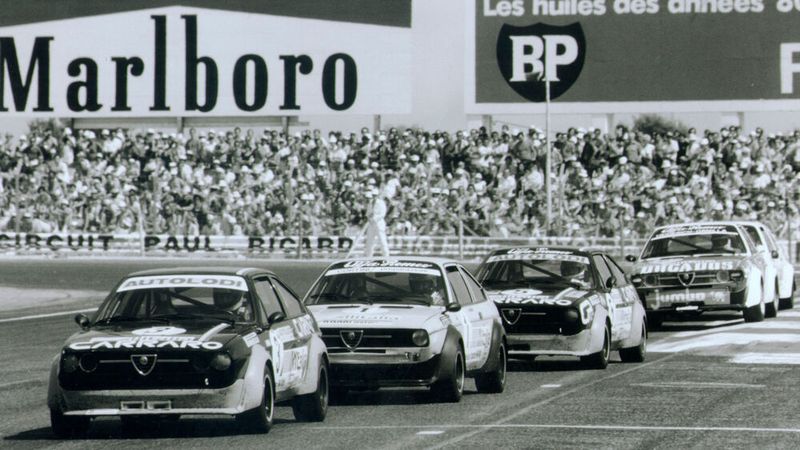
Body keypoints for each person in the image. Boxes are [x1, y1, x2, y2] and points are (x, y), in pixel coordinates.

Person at [364, 187, 390, 257]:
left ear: (378, 195)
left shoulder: (381, 203)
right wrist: (369, 217)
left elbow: (382, 214)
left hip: (379, 223)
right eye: (373, 195)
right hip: (371, 224)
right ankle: (369, 257)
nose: (374, 197)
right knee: (369, 241)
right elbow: (368, 213)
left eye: (375, 195)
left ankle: (386, 256)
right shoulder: (370, 203)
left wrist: (374, 218)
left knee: (382, 240)